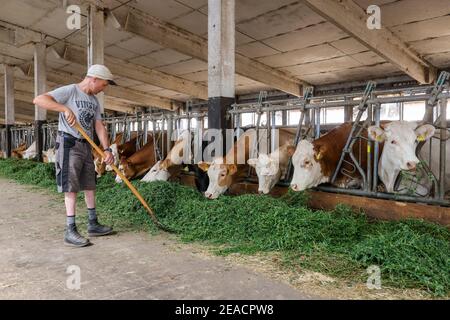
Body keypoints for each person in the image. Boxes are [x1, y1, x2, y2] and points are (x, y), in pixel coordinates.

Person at [34, 64, 116, 247]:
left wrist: (107, 149)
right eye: (103, 84)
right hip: (69, 143)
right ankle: (70, 230)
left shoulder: (94, 101)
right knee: (70, 186)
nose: (104, 88)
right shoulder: (70, 91)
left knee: (89, 183)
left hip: (86, 145)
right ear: (93, 79)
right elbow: (39, 99)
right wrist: (64, 109)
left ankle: (93, 223)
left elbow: (99, 126)